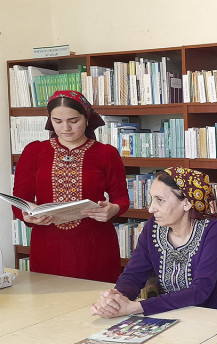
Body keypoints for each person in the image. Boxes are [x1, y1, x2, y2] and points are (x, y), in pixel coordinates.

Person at [11, 90, 129, 282]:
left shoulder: (106, 153)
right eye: (57, 121)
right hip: (48, 246)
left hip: (95, 246)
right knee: (48, 296)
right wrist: (27, 216)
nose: (65, 128)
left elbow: (122, 198)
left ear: (87, 118)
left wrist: (114, 209)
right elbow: (19, 200)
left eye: (74, 121)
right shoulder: (34, 151)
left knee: (97, 298)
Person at [91, 167, 217, 317]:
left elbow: (200, 290)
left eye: (160, 200)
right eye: (152, 199)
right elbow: (133, 275)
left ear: (186, 203)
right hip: (172, 314)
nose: (151, 209)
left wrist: (137, 307)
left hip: (216, 316)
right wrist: (115, 300)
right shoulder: (153, 227)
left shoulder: (212, 229)